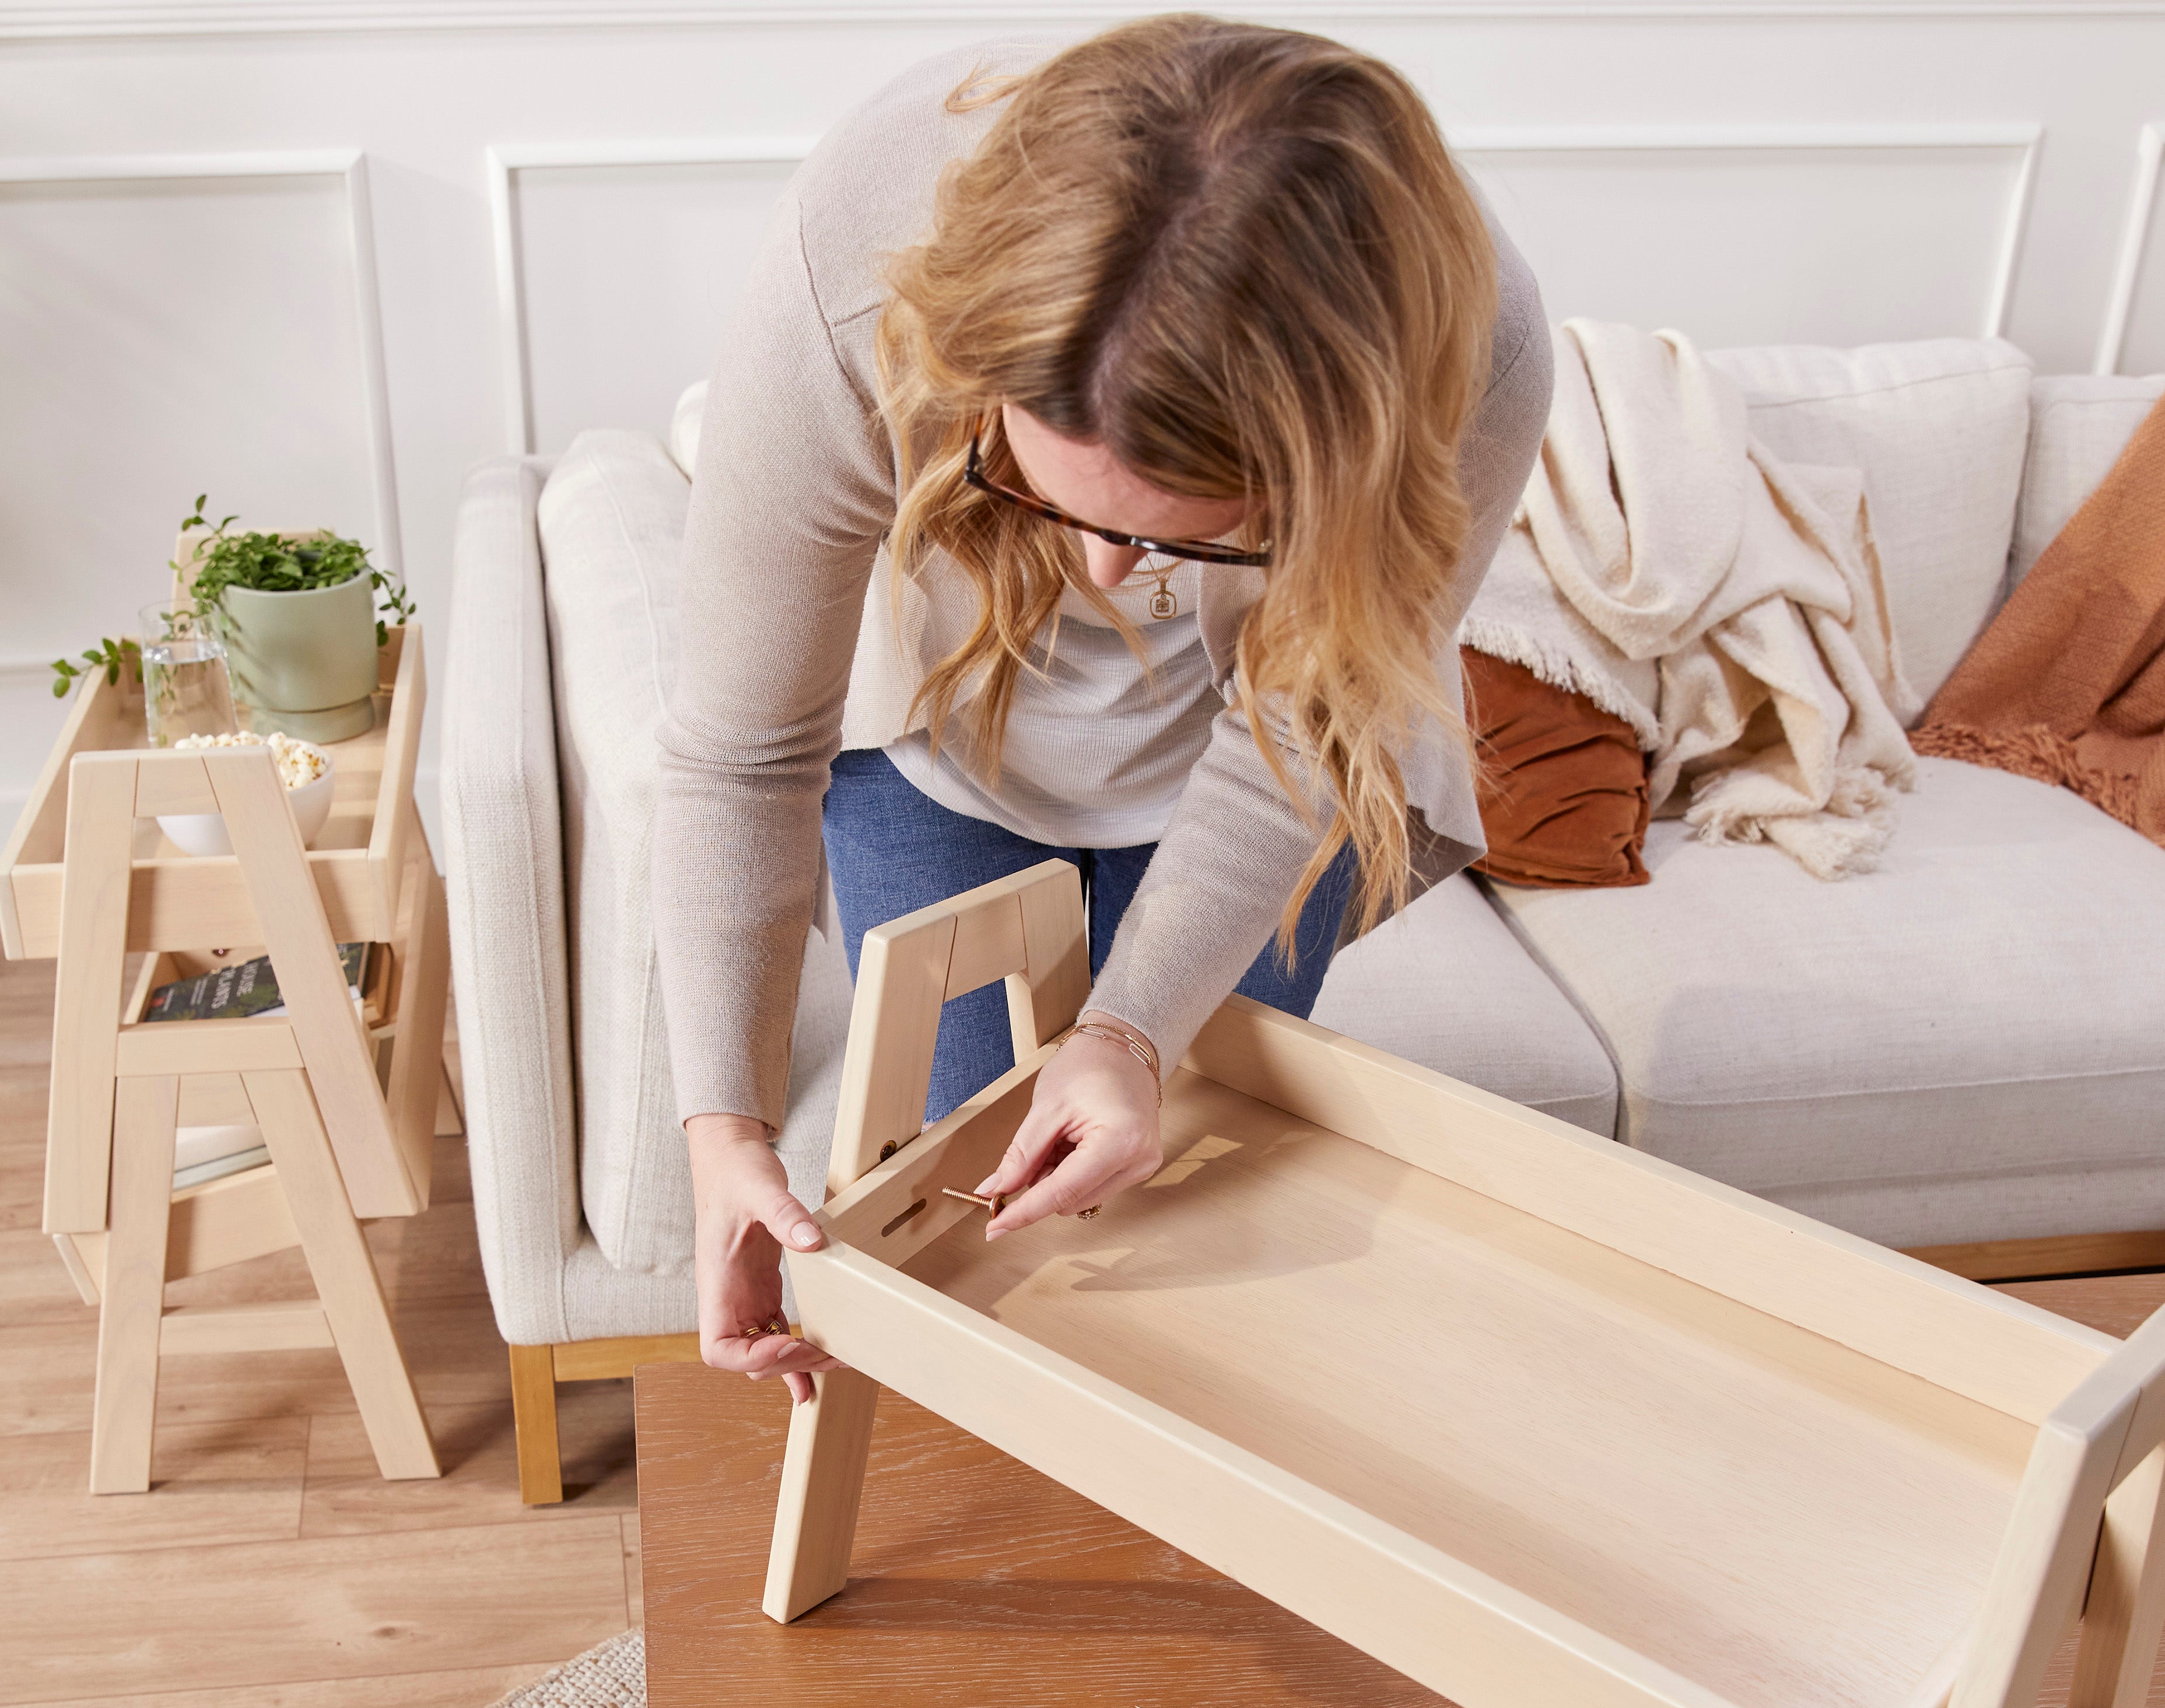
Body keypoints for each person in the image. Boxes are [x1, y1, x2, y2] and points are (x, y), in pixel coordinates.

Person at [652, 13, 1553, 1403]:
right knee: (974, 1244)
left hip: (1256, 758)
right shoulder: (852, 263)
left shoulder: (1468, 355)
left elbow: (1300, 721)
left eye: (1196, 535)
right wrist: (724, 1128)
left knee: (1179, 1232)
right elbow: (740, 745)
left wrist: (1129, 1029)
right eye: (1050, 498)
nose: (1105, 577)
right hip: (938, 746)